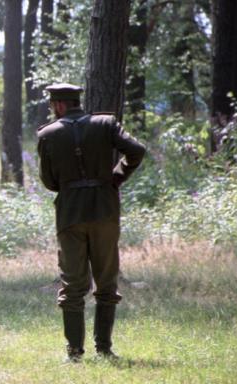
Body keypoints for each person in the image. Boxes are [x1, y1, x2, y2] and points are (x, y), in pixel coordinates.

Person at [37, 83, 146, 362]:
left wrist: (71, 185)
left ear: (59, 105)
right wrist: (115, 177)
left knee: (73, 283)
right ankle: (104, 349)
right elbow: (136, 150)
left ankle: (74, 352)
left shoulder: (47, 134)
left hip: (70, 214)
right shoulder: (106, 124)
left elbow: (48, 181)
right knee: (106, 281)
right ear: (76, 102)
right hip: (105, 211)